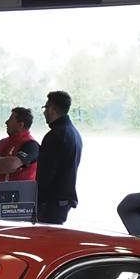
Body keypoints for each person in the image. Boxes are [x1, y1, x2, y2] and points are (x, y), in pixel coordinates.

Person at [35, 91, 83, 226]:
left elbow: (46, 172)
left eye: (45, 108)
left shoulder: (55, 135)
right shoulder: (74, 132)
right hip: (63, 199)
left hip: (51, 201)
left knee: (45, 236)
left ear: (52, 109)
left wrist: (38, 199)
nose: (44, 112)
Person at [0, 107, 40, 181]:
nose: (6, 122)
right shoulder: (2, 142)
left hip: (21, 188)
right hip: (0, 187)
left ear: (20, 125)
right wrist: (7, 168)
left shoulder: (31, 145)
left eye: (10, 119)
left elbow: (12, 164)